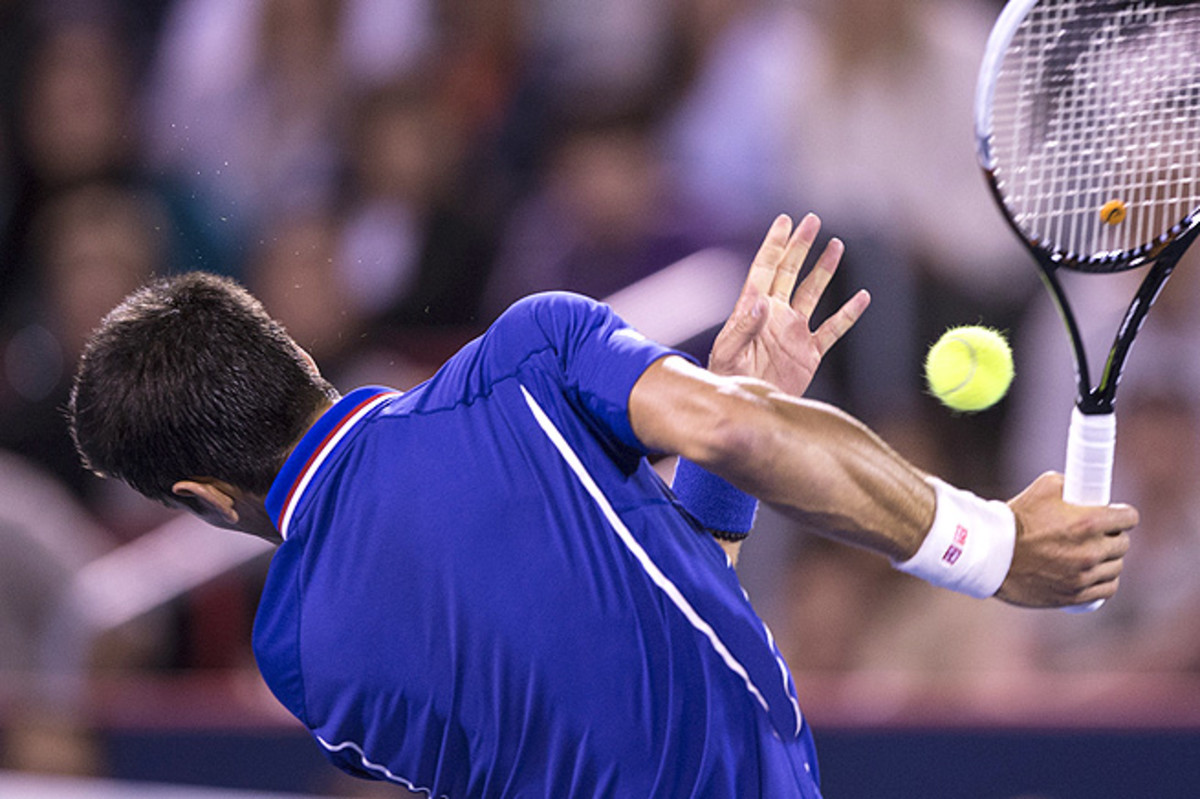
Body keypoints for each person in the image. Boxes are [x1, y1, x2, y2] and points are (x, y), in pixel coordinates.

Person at [67, 214, 1136, 798]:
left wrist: (730, 448)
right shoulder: (525, 357)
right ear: (292, 353)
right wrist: (994, 546)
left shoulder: (298, 655)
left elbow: (617, 654)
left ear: (202, 498)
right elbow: (736, 435)